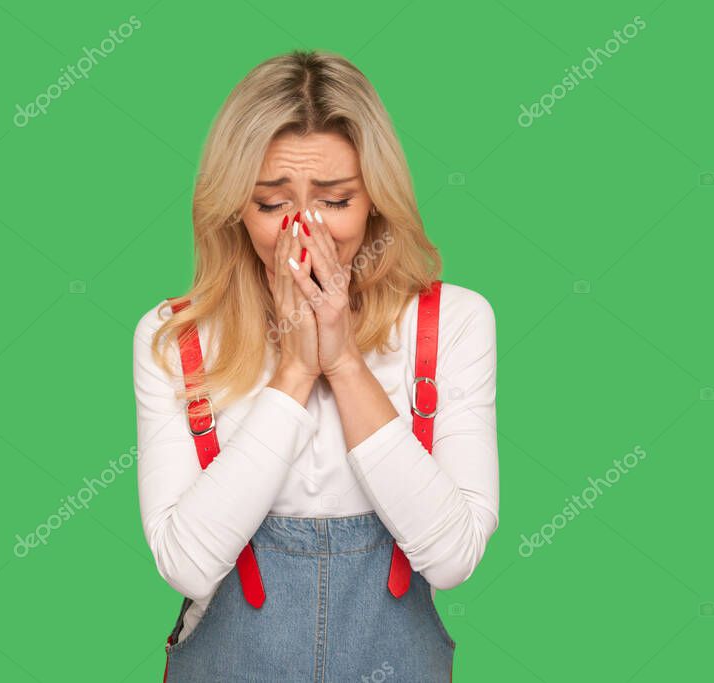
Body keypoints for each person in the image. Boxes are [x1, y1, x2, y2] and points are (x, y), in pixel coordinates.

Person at [133, 49, 499, 682]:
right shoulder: (175, 340)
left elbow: (452, 558)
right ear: (234, 209)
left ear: (377, 201)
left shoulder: (455, 323)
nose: (304, 231)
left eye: (334, 200)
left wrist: (345, 360)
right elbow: (187, 567)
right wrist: (296, 371)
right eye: (273, 204)